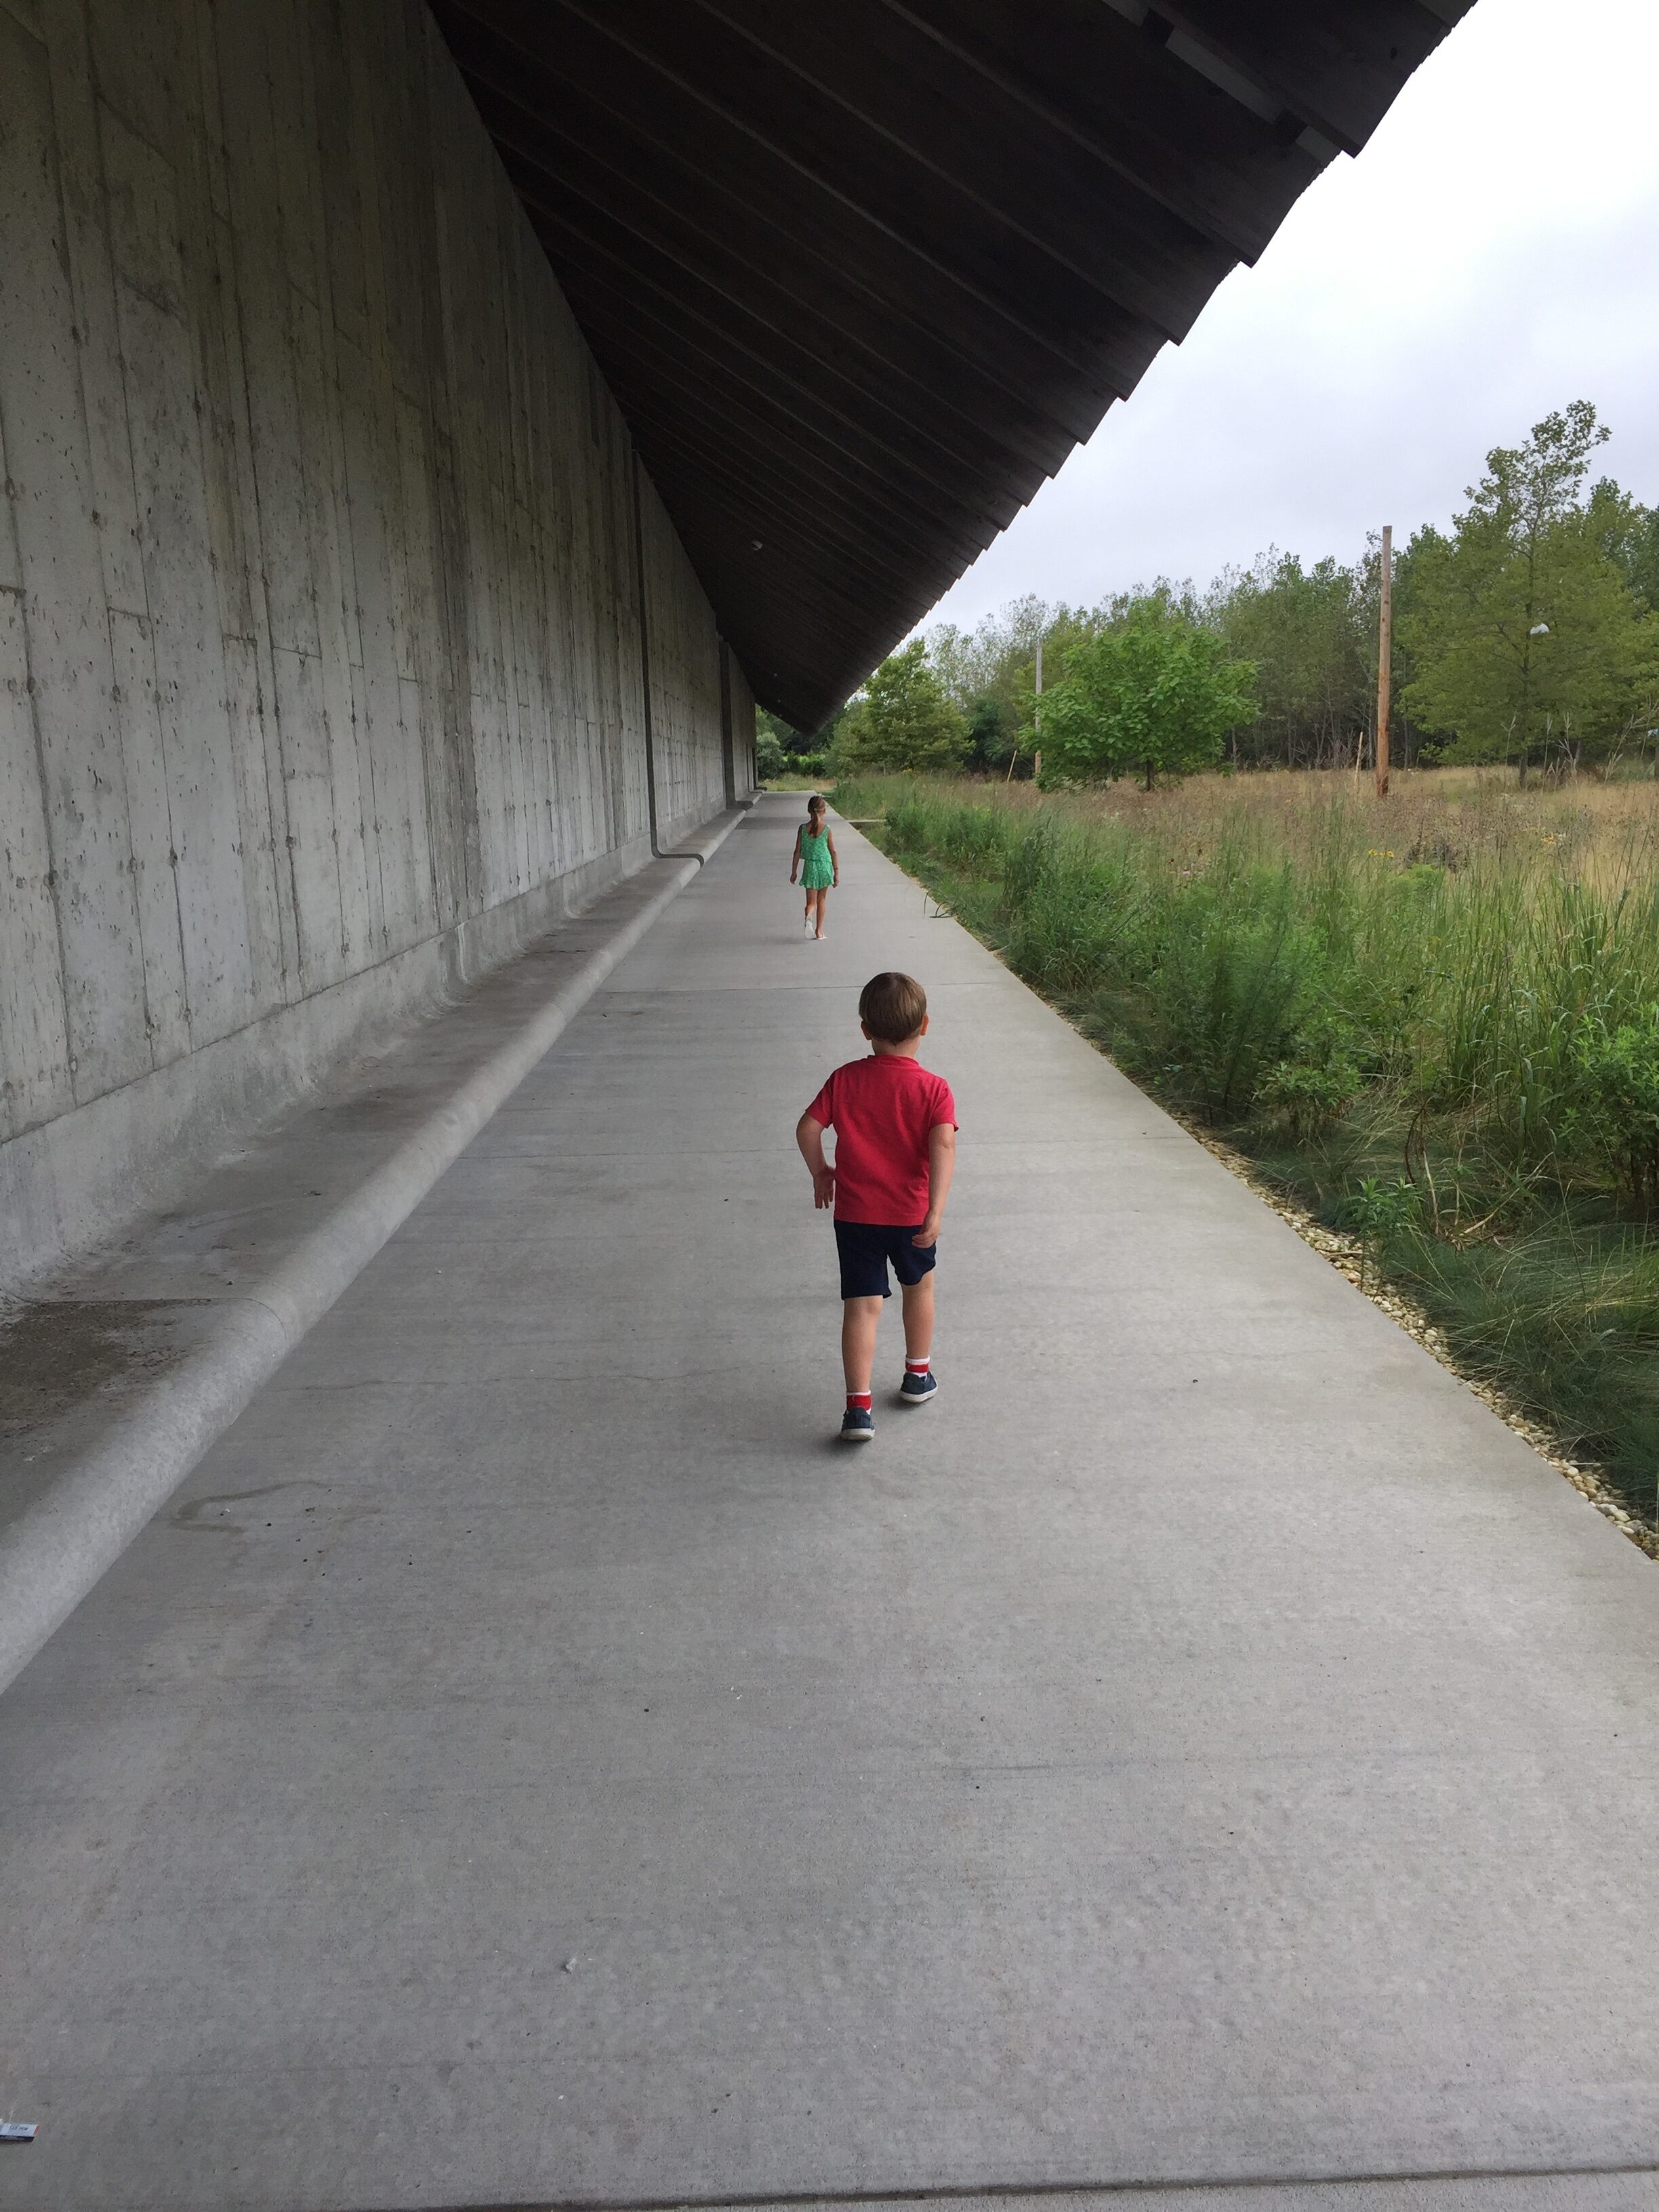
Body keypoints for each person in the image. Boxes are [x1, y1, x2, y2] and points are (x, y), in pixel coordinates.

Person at [796, 971, 957, 1442]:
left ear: (865, 1029)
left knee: (861, 1308)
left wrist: (821, 1171)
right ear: (924, 1026)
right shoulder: (935, 1089)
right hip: (910, 1215)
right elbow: (943, 1147)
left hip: (856, 1216)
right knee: (919, 1290)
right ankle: (916, 1376)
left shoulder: (844, 1079)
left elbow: (807, 1128)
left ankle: (858, 1409)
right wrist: (936, 1210)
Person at [790, 794, 838, 939]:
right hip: (824, 867)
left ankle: (809, 916)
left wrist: (794, 871)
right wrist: (837, 873)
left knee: (811, 903)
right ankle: (819, 931)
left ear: (809, 811)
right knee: (822, 900)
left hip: (810, 867)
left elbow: (797, 851)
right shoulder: (827, 829)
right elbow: (833, 851)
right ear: (824, 811)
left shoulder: (803, 829)